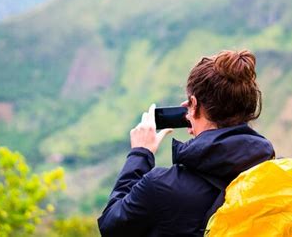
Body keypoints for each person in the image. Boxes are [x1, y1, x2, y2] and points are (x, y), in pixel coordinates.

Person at [97, 50, 275, 236]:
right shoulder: (272, 174)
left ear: (194, 104)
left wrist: (140, 153)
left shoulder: (162, 186)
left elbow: (111, 226)